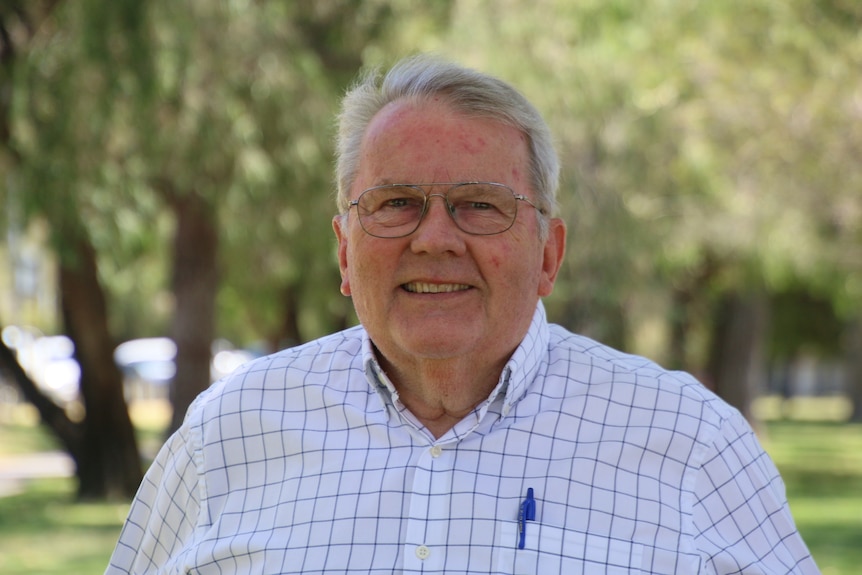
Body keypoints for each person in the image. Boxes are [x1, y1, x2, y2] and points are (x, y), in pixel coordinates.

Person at [106, 54, 819, 574]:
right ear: (345, 253)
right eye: (395, 203)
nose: (435, 237)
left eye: (480, 204)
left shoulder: (691, 443)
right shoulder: (226, 434)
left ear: (548, 254)